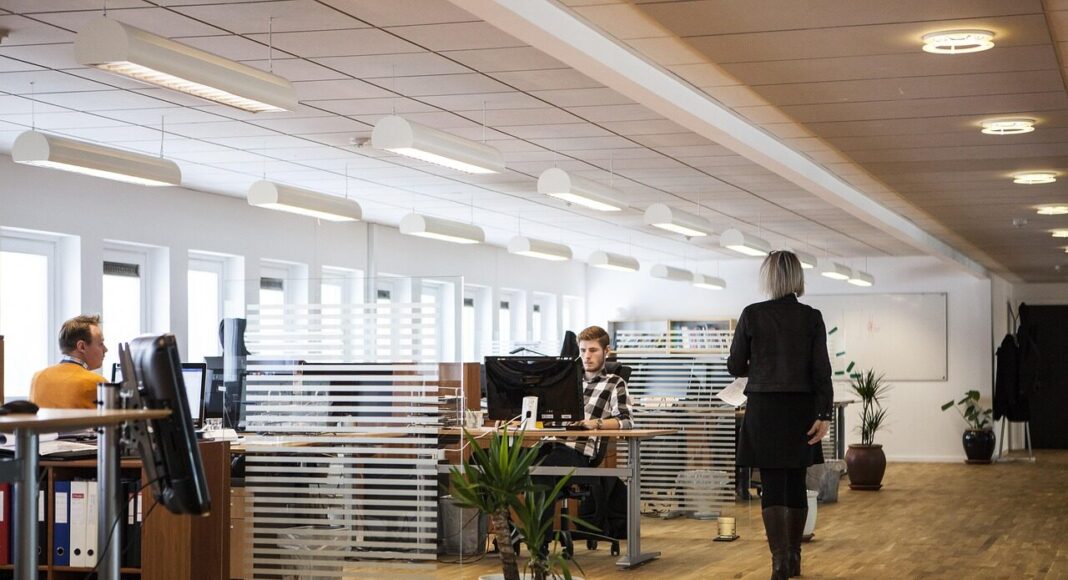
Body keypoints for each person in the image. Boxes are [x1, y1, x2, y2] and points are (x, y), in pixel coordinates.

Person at [728, 251, 832, 580]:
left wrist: (757, 366)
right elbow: (822, 372)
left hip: (765, 408)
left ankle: (778, 562)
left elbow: (734, 365)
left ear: (768, 278)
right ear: (797, 278)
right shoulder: (812, 317)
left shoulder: (752, 315)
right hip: (801, 409)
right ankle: (795, 557)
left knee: (771, 485)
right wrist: (824, 413)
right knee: (796, 484)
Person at [29, 314, 108, 409]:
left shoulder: (37, 378)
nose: (105, 349)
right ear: (82, 347)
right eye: (101, 343)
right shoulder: (98, 385)